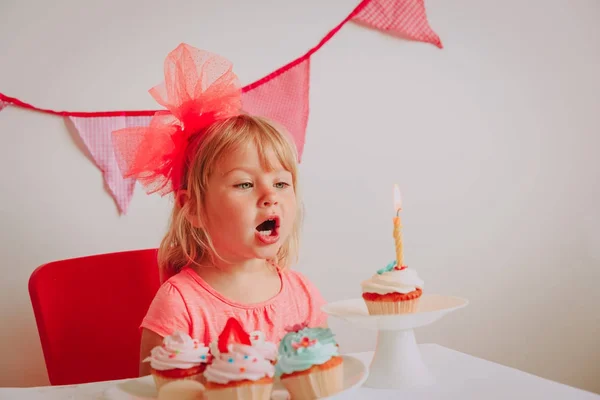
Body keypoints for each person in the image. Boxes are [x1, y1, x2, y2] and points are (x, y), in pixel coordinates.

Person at [112, 43, 327, 376]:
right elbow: (154, 394)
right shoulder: (180, 304)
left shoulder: (303, 295)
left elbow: (321, 379)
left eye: (282, 184)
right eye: (244, 184)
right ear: (193, 208)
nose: (269, 196)